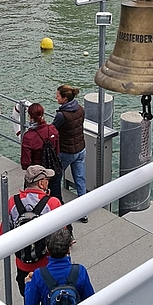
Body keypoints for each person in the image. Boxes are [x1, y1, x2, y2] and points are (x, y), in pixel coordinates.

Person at [0, 165, 63, 305]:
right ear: (41, 183)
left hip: (23, 265)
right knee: (50, 304)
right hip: (47, 265)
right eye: (47, 180)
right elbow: (62, 238)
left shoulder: (12, 202)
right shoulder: (53, 203)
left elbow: (2, 234)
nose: (48, 183)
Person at [24, 227, 94, 305]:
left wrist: (28, 284)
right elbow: (91, 303)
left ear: (47, 249)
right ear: (69, 249)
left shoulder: (39, 275)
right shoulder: (80, 271)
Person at [52, 85, 87, 222]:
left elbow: (53, 130)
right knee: (80, 179)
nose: (56, 97)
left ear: (65, 99)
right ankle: (83, 212)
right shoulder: (80, 109)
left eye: (58, 95)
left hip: (66, 151)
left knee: (56, 177)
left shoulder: (62, 115)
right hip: (80, 148)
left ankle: (58, 207)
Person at [21, 103, 62, 202]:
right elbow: (57, 150)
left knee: (31, 201)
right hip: (54, 169)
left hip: (37, 174)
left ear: (30, 117)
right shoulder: (52, 129)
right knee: (56, 197)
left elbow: (25, 163)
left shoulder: (28, 136)